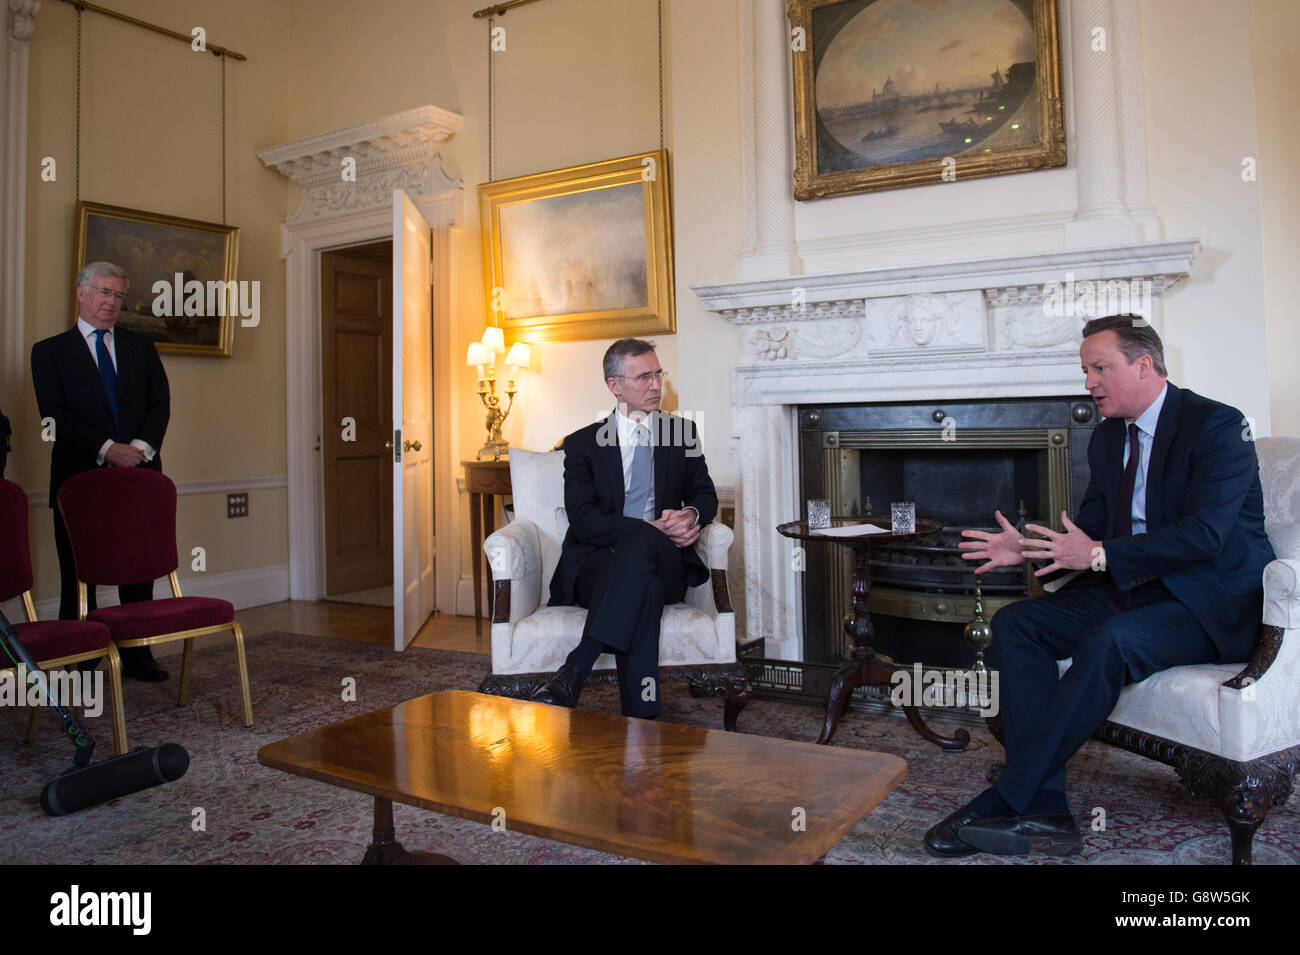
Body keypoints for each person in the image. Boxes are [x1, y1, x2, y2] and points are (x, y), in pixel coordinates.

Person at [926, 315, 1274, 857]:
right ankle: (1046, 810)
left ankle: (1009, 798)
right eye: (1085, 369)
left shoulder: (1219, 426)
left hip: (1209, 600)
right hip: (1134, 586)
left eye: (1099, 367)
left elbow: (1205, 536)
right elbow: (1090, 531)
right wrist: (1034, 547)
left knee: (1109, 641)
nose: (1088, 382)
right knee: (1018, 622)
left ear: (1143, 364)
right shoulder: (1109, 436)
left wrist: (1096, 554)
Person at [532, 338, 718, 719]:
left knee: (647, 562)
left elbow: (705, 495)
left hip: (666, 561)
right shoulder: (583, 444)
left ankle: (576, 668)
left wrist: (692, 517)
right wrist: (647, 530)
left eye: (658, 375)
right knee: (643, 588)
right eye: (643, 377)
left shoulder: (680, 433)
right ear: (615, 386)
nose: (655, 386)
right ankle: (642, 722)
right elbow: (583, 520)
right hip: (597, 568)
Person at [30, 261, 172, 681]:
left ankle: (138, 657)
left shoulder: (140, 347)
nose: (111, 302)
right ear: (81, 293)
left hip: (138, 475)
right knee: (77, 569)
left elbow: (159, 403)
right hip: (79, 478)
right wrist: (108, 449)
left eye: (118, 295)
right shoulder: (50, 351)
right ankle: (79, 659)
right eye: (104, 292)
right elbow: (52, 416)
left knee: (139, 566)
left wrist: (139, 450)